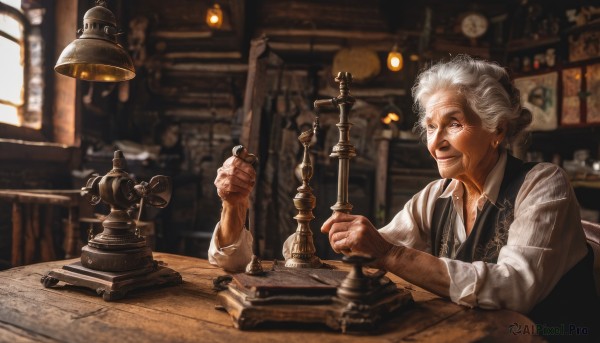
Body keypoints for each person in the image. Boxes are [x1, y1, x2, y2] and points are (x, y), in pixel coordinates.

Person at [209, 55, 598, 338]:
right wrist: (235, 206)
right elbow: (359, 255)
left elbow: (515, 289)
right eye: (430, 127)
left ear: (496, 129)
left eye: (454, 124)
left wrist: (391, 254)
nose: (436, 143)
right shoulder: (438, 195)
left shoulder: (543, 184)